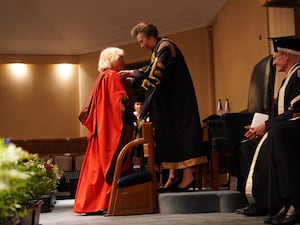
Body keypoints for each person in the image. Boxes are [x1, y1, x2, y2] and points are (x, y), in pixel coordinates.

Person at [119, 22, 207, 192]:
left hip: (178, 102)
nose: (141, 45)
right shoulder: (158, 49)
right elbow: (151, 69)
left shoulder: (165, 47)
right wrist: (134, 77)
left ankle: (188, 177)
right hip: (170, 103)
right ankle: (173, 176)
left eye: (141, 41)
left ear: (150, 37)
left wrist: (134, 76)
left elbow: (155, 73)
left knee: (182, 136)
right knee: (170, 136)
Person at [237, 36, 300, 225]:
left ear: (286, 56)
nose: (273, 62)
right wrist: (262, 125)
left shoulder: (298, 75)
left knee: (279, 134)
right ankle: (264, 201)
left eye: (275, 57)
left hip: (290, 127)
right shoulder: (286, 80)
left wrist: (267, 125)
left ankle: (293, 203)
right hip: (283, 125)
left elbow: (295, 111)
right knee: (247, 146)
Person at [73, 47, 134, 215]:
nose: (124, 61)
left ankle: (90, 204)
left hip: (101, 132)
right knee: (108, 167)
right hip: (110, 132)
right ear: (111, 60)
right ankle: (103, 202)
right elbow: (119, 104)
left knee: (96, 168)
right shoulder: (112, 76)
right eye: (121, 58)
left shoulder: (101, 77)